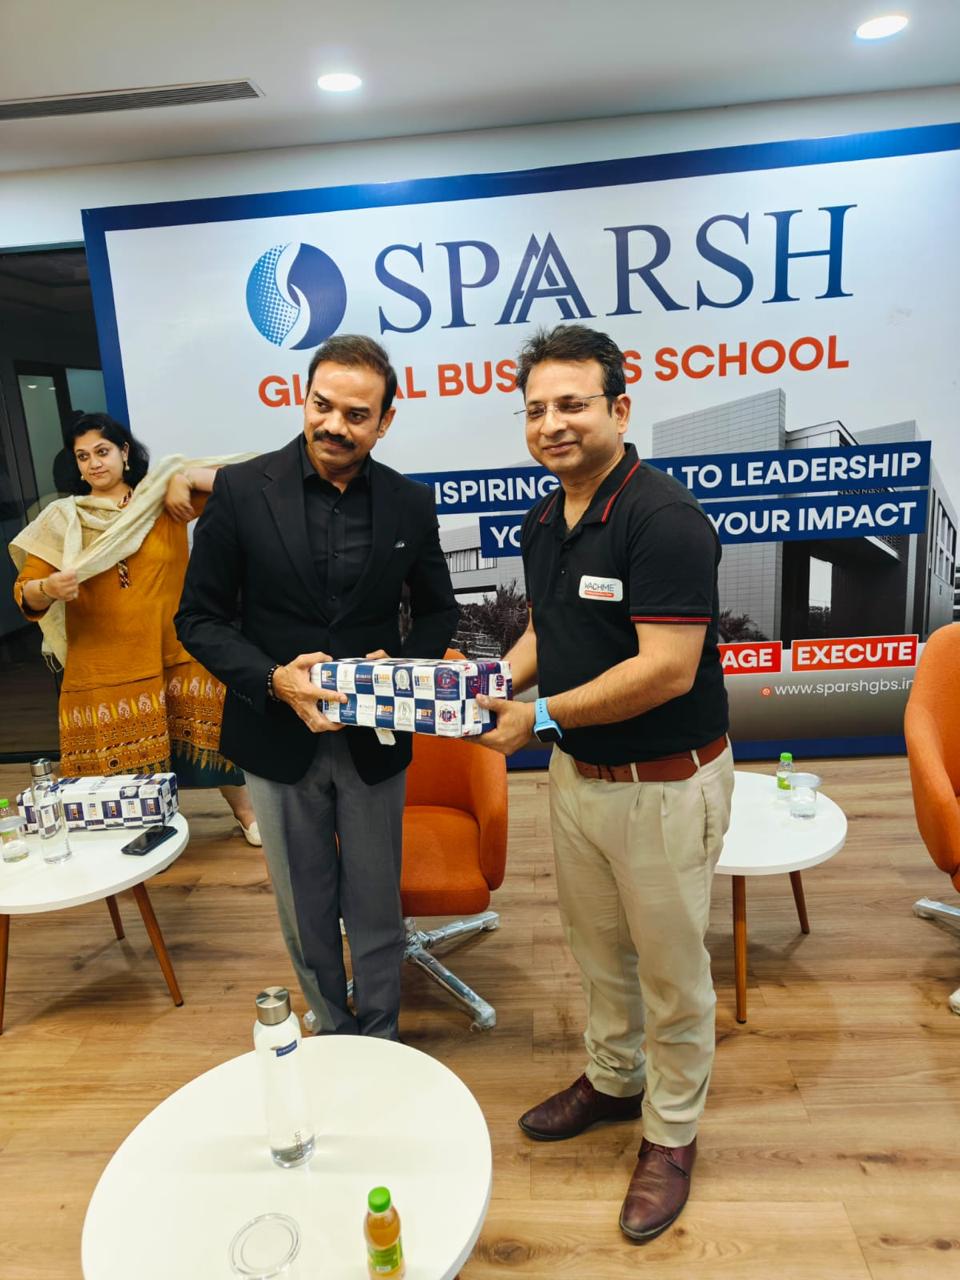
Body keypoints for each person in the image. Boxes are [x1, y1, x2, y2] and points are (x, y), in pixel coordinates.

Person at [476, 324, 734, 1244]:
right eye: (536, 409)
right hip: (579, 779)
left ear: (620, 409)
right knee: (596, 951)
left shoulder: (663, 521)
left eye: (572, 405)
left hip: (664, 784)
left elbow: (666, 669)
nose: (552, 424)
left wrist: (539, 717)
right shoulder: (546, 518)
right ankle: (617, 1080)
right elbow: (547, 631)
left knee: (671, 971)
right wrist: (493, 682)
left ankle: (672, 1131)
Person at [175, 334, 458, 1041]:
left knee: (376, 903)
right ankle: (333, 1032)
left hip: (374, 736)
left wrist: (398, 670)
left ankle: (382, 1037)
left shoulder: (409, 503)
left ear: (385, 421)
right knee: (305, 908)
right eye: (321, 405)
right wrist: (274, 681)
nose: (334, 425)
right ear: (303, 399)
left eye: (356, 415)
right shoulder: (242, 491)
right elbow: (199, 618)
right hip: (274, 735)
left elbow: (438, 613)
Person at [10, 412, 261, 843]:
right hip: (104, 663)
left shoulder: (158, 501)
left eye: (102, 451)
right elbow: (25, 593)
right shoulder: (63, 519)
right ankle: (134, 834)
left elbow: (243, 480)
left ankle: (246, 813)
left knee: (214, 744)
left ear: (124, 452)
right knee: (115, 778)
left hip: (175, 648)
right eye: (83, 456)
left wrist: (182, 476)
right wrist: (48, 588)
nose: (94, 463)